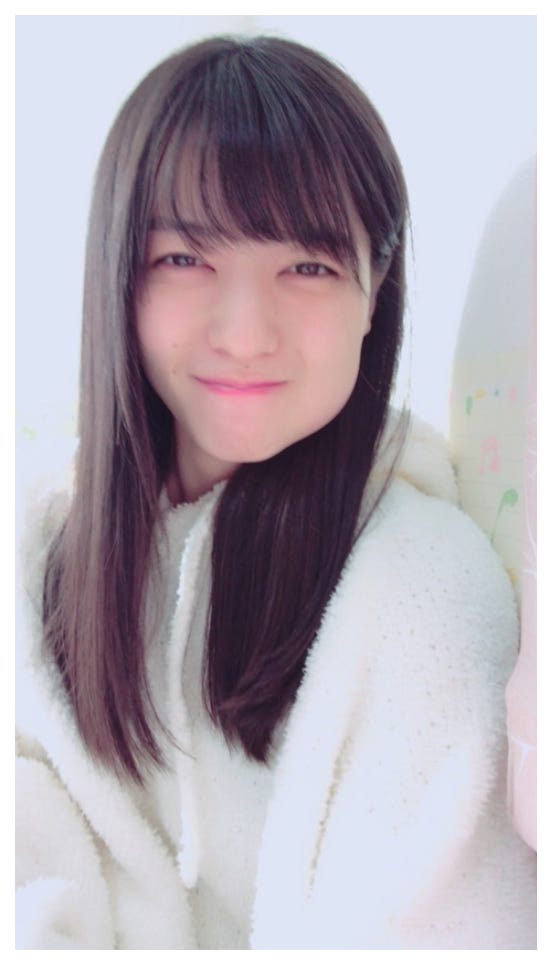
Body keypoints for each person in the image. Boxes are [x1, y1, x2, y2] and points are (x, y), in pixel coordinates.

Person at [16, 35, 536, 949]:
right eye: (186, 258)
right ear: (118, 274)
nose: (246, 333)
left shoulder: (421, 590)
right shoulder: (38, 555)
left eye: (308, 266)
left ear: (375, 290)